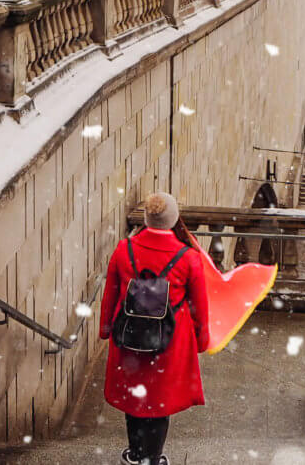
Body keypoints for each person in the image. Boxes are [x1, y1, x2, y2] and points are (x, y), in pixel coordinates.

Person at [99, 193, 209, 465]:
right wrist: (201, 338)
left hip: (131, 334)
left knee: (135, 398)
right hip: (170, 340)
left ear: (147, 219)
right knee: (160, 401)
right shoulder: (188, 257)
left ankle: (135, 455)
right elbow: (199, 306)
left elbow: (110, 293)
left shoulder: (124, 249)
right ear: (173, 219)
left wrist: (105, 328)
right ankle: (152, 458)